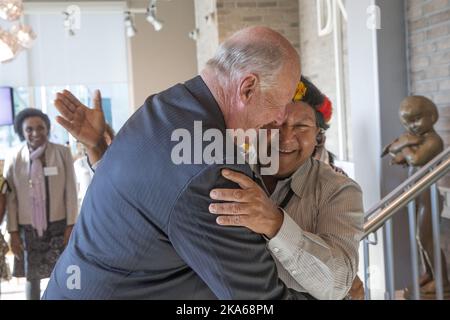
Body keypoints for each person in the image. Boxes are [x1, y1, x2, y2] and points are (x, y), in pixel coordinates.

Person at [43, 27, 307, 300]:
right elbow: (257, 300)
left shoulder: (164, 106)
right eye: (279, 103)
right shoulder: (211, 169)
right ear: (247, 88)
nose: (279, 118)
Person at [208, 77, 364, 299]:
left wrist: (275, 223)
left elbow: (338, 283)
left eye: (301, 126)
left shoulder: (338, 191)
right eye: (274, 124)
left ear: (318, 137)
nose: (286, 137)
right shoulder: (226, 173)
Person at [4, 108, 78, 300]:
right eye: (29, 129)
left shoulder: (62, 152)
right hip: (27, 228)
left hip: (58, 225)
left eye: (40, 128)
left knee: (63, 272)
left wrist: (71, 224)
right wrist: (12, 231)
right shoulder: (14, 157)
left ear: (47, 128)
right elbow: (11, 199)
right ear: (22, 131)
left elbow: (70, 190)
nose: (35, 133)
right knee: (32, 277)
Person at [382, 96, 450, 299]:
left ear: (432, 116)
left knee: (427, 239)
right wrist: (402, 150)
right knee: (420, 239)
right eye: (407, 121)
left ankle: (442, 280)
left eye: (417, 119)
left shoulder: (433, 140)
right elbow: (402, 159)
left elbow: (416, 158)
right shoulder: (417, 140)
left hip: (429, 197)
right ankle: (429, 274)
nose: (412, 125)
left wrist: (403, 144)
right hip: (417, 198)